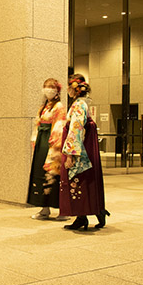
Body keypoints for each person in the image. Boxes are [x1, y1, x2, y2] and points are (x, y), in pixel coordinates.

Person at [60, 74, 110, 230]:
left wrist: (70, 155)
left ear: (74, 89)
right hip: (86, 147)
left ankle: (83, 216)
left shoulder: (78, 105)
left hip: (80, 150)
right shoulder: (84, 103)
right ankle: (94, 211)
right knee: (88, 180)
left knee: (78, 180)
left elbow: (75, 129)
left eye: (69, 87)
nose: (67, 90)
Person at [27, 78, 67, 220]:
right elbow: (38, 123)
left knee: (54, 175)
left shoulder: (59, 107)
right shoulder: (44, 106)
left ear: (57, 90)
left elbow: (59, 126)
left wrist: (54, 143)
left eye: (51, 87)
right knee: (40, 173)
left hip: (52, 144)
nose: (48, 89)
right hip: (41, 142)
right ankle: (44, 208)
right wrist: (35, 139)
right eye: (46, 87)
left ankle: (63, 210)